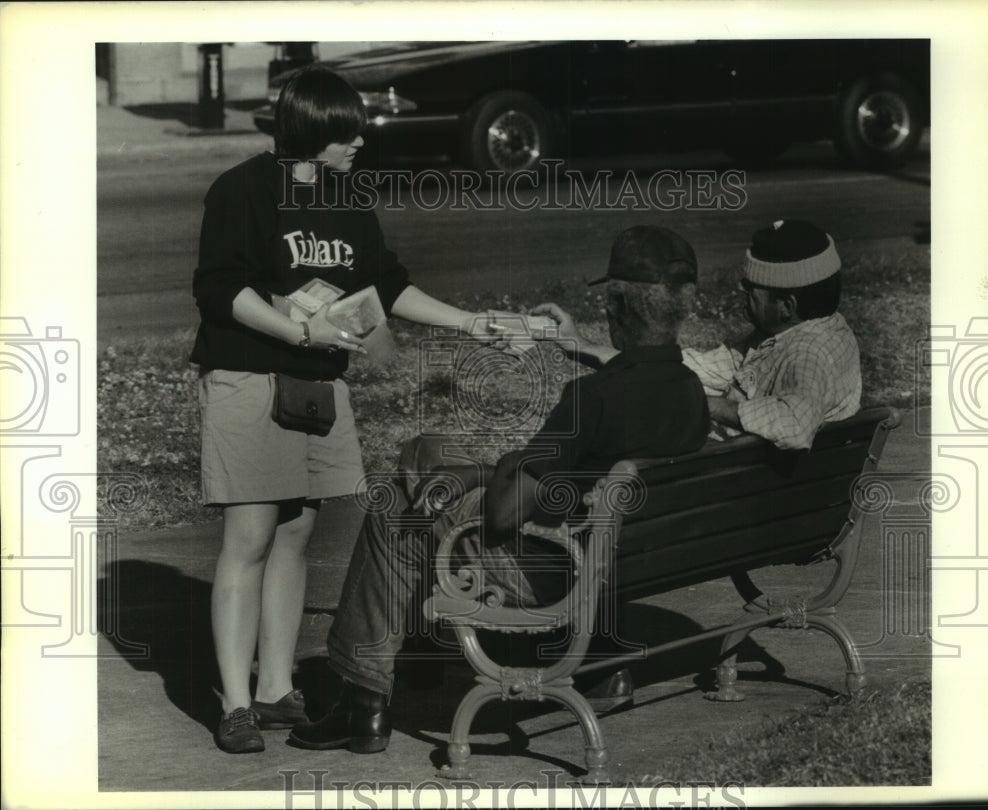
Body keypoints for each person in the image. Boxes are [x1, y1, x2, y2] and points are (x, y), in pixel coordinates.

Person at [287, 224, 710, 753]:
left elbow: (507, 515)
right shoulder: (691, 389)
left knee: (397, 509)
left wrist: (507, 462)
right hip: (625, 558)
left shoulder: (594, 399)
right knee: (430, 459)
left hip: (559, 572)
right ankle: (428, 651)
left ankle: (362, 700)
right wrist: (486, 470)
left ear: (618, 307)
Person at [190, 65, 502, 754]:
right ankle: (236, 705)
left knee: (297, 534)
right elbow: (221, 288)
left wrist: (470, 324)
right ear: (311, 129)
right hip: (250, 380)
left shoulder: (346, 196)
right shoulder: (241, 191)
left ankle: (275, 689)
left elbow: (385, 286)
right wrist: (299, 332)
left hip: (318, 388)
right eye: (346, 132)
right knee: (250, 539)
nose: (359, 142)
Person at [681, 219, 862, 450]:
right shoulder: (816, 327)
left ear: (786, 306)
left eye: (750, 286)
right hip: (777, 476)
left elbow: (795, 425)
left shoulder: (808, 352)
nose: (740, 289)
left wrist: (709, 406)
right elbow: (722, 366)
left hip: (733, 475)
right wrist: (650, 360)